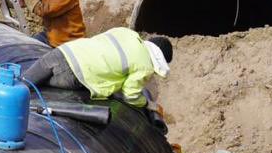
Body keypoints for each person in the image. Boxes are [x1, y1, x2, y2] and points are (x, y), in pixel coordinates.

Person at [22, 28, 174, 109]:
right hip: (76, 75)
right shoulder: (145, 65)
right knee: (40, 87)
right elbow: (130, 95)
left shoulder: (127, 33)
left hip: (66, 51)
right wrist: (146, 104)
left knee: (23, 82)